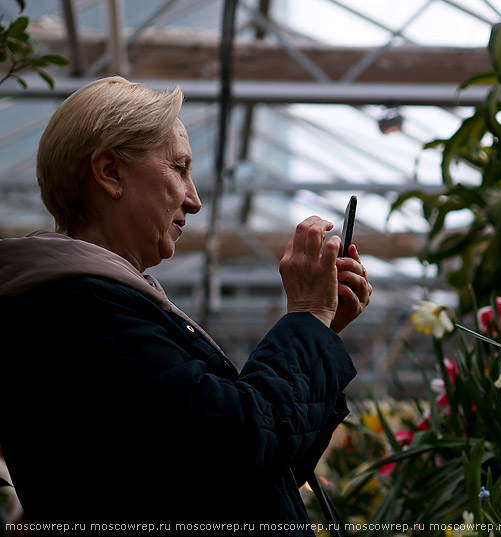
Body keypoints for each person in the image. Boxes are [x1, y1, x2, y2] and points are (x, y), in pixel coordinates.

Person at [0, 76, 372, 533]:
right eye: (179, 168)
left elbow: (261, 471)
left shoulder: (95, 304)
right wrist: (309, 318)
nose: (193, 200)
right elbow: (239, 444)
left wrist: (321, 327)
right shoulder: (80, 310)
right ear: (110, 173)